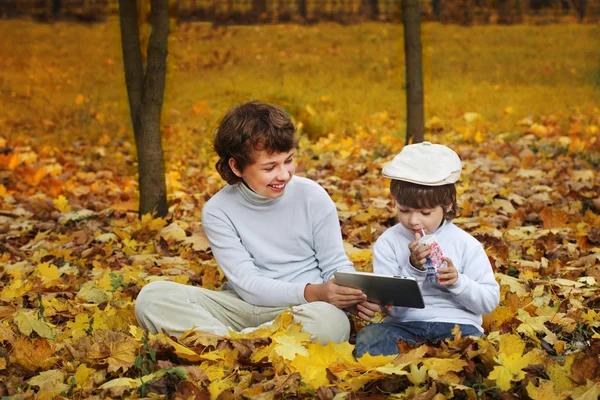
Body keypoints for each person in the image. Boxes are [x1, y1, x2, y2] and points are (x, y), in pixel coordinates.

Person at [135, 101, 380, 344]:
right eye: (270, 167)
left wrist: (350, 295)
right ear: (237, 166)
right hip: (240, 307)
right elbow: (248, 283)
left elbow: (335, 263)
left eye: (289, 160)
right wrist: (313, 291)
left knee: (330, 323)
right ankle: (251, 344)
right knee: (153, 297)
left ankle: (231, 345)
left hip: (306, 309)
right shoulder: (218, 211)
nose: (283, 174)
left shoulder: (312, 196)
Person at [354, 142, 500, 357]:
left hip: (457, 325)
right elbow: (393, 309)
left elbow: (488, 302)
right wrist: (413, 269)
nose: (413, 221)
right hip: (405, 326)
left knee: (476, 352)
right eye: (404, 210)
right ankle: (402, 375)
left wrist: (458, 282)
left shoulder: (465, 243)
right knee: (371, 338)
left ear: (448, 205)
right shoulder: (389, 242)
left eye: (425, 212)